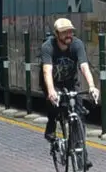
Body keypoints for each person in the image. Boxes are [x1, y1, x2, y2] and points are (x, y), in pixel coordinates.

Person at [40, 18, 99, 156]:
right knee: (54, 105)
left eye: (70, 32)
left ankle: (80, 154)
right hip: (53, 82)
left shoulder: (77, 44)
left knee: (78, 113)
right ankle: (51, 125)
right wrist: (51, 91)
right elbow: (46, 71)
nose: (68, 35)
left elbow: (84, 67)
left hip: (71, 82)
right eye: (64, 32)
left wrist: (92, 86)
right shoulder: (48, 47)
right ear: (56, 34)